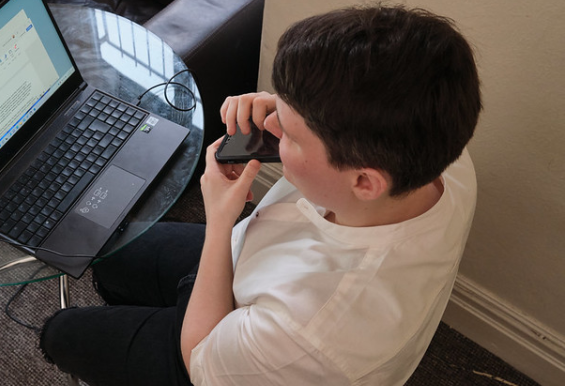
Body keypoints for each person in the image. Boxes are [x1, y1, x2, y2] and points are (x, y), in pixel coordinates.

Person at [39, 4, 481, 385]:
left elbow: (199, 356)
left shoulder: (308, 336)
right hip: (254, 259)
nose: (268, 126)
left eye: (286, 131)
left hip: (228, 355)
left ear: (365, 182)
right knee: (111, 254)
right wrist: (286, 107)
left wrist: (217, 221)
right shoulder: (444, 158)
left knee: (62, 332)